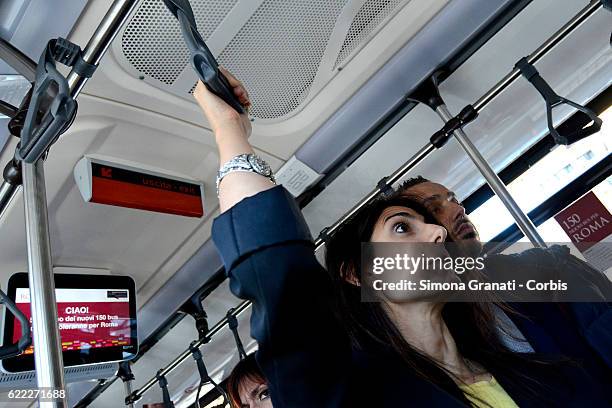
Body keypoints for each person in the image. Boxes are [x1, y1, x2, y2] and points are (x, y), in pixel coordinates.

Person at [195, 71, 611, 407]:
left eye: (432, 225)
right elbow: (277, 272)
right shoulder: (359, 394)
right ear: (357, 273)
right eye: (401, 227)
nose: (437, 233)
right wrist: (231, 132)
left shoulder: (540, 366)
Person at [398, 177, 612, 371]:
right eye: (435, 209)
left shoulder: (538, 268)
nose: (458, 209)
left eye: (454, 200)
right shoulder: (436, 335)